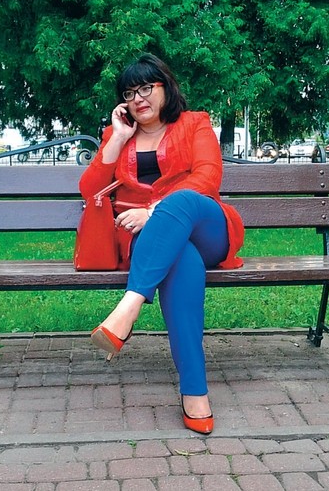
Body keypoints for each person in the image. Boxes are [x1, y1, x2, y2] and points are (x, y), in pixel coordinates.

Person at [79, 53, 244, 434]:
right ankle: (195, 393)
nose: (138, 99)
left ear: (165, 87)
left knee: (182, 200)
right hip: (152, 244)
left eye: (145, 88)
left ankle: (128, 309)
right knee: (181, 260)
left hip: (205, 227)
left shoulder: (194, 123)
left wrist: (154, 211)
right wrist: (118, 138)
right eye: (129, 93)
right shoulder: (117, 136)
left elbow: (208, 177)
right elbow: (90, 190)